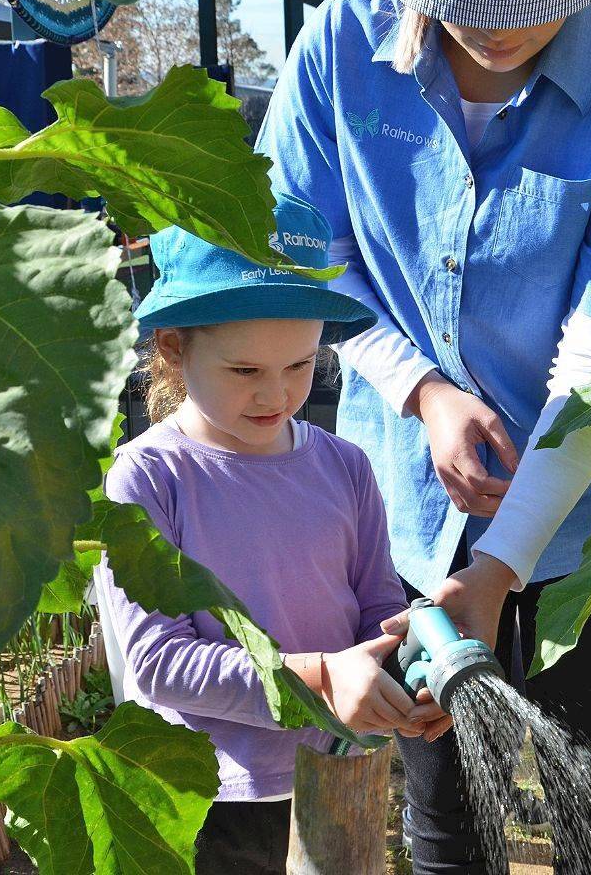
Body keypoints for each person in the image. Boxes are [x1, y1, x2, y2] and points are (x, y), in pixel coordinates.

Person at [256, 0, 591, 870]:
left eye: (526, 4)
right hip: (410, 507)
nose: (495, 32)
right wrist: (420, 388)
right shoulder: (338, 52)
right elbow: (302, 254)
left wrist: (498, 570)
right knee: (444, 793)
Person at [91, 196, 452, 875]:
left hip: (336, 773)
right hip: (205, 794)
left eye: (300, 365)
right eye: (246, 372)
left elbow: (376, 609)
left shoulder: (344, 466)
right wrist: (317, 679)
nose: (277, 395)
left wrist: (413, 666)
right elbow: (160, 663)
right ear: (174, 346)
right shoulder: (149, 479)